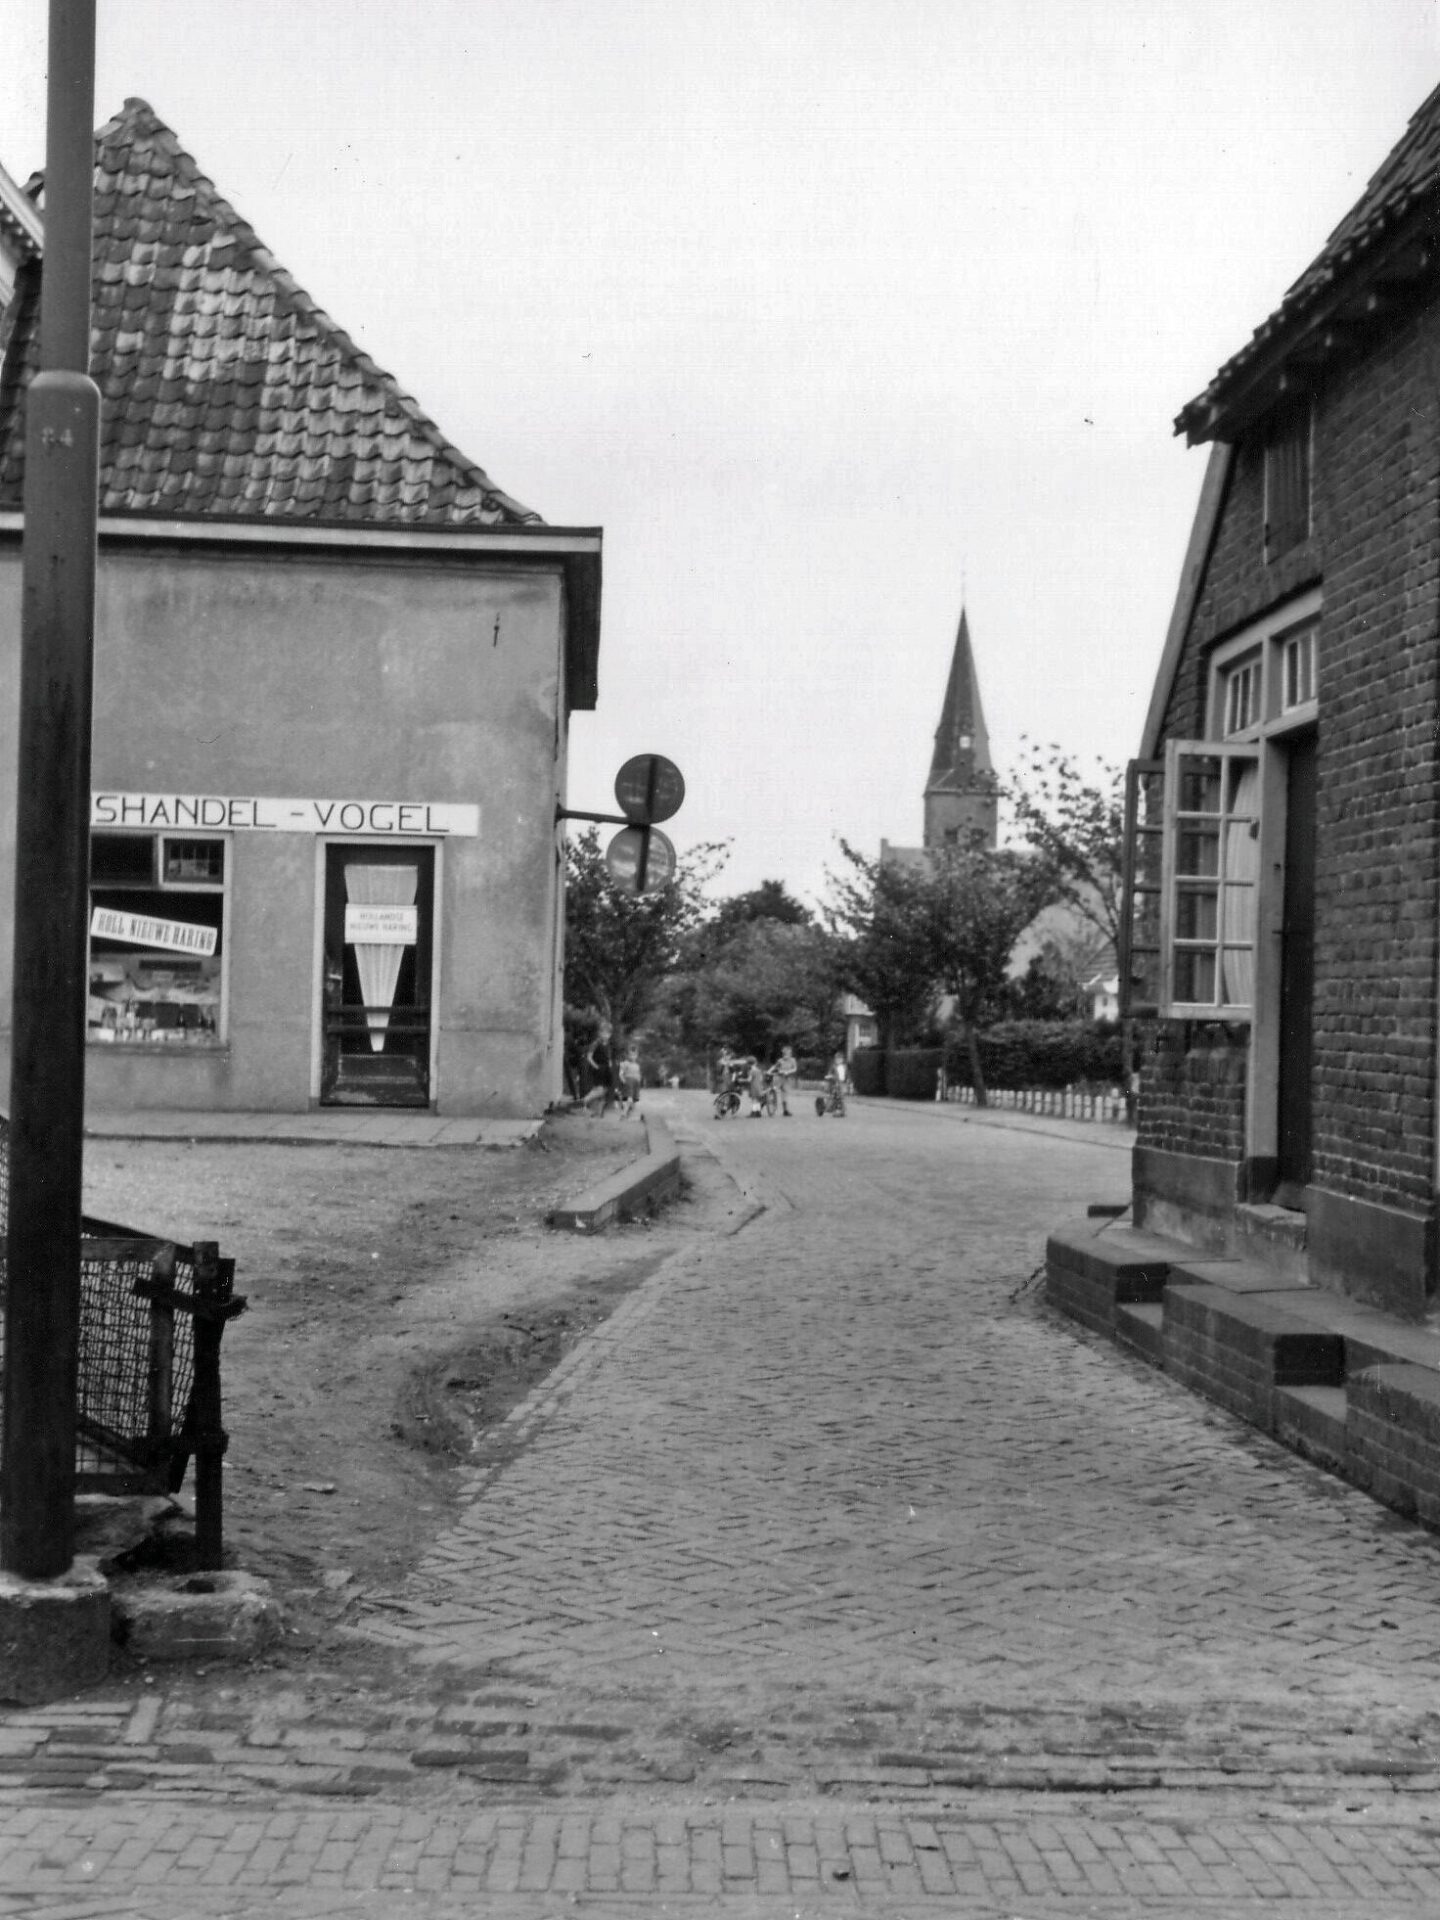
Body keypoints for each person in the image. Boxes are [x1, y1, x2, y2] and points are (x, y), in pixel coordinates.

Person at [617, 1043, 642, 1118]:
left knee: (635, 1100)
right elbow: (620, 1073)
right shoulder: (625, 1063)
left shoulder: (637, 1065)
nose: (632, 1057)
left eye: (634, 1055)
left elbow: (638, 1074)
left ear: (637, 1055)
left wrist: (639, 1080)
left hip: (636, 1083)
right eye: (631, 1055)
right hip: (628, 1082)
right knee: (629, 1099)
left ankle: (629, 1114)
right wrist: (623, 1080)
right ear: (628, 1055)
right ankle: (624, 1113)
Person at [774, 1043, 798, 1116]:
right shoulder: (780, 1061)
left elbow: (794, 1068)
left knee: (785, 1094)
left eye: (788, 1053)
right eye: (785, 1053)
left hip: (787, 1079)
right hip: (779, 1078)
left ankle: (785, 1110)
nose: (786, 1055)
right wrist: (780, 1071)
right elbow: (776, 1068)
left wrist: (788, 1072)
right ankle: (763, 1105)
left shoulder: (793, 1060)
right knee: (773, 1091)